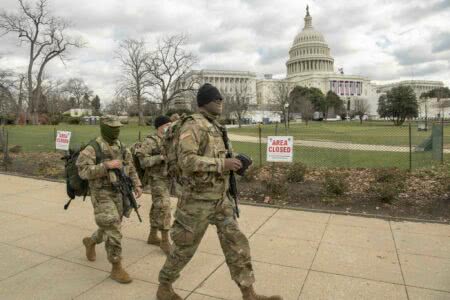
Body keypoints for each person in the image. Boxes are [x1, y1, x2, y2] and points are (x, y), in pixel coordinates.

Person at [156, 84, 283, 300]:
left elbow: (215, 156)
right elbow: (187, 161)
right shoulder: (193, 125)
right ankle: (164, 286)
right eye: (216, 99)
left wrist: (234, 163)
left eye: (221, 99)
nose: (221, 101)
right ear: (204, 102)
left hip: (220, 199)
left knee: (237, 244)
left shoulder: (215, 126)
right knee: (185, 248)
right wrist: (221, 164)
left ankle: (249, 293)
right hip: (196, 201)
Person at [76, 115, 143, 284]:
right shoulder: (92, 148)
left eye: (118, 127)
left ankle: (90, 241)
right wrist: (106, 166)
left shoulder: (121, 146)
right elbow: (83, 172)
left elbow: (130, 166)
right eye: (112, 128)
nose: (116, 130)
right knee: (112, 225)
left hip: (119, 192)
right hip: (101, 194)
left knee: (110, 226)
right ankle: (116, 267)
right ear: (104, 127)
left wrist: (137, 184)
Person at [135, 115, 173, 255]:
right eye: (167, 125)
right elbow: (142, 161)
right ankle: (164, 241)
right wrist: (161, 157)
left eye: (170, 125)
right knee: (164, 205)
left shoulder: (170, 140)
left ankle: (152, 235)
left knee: (158, 205)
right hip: (156, 178)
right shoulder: (150, 141)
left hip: (168, 178)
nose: (169, 127)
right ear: (160, 126)